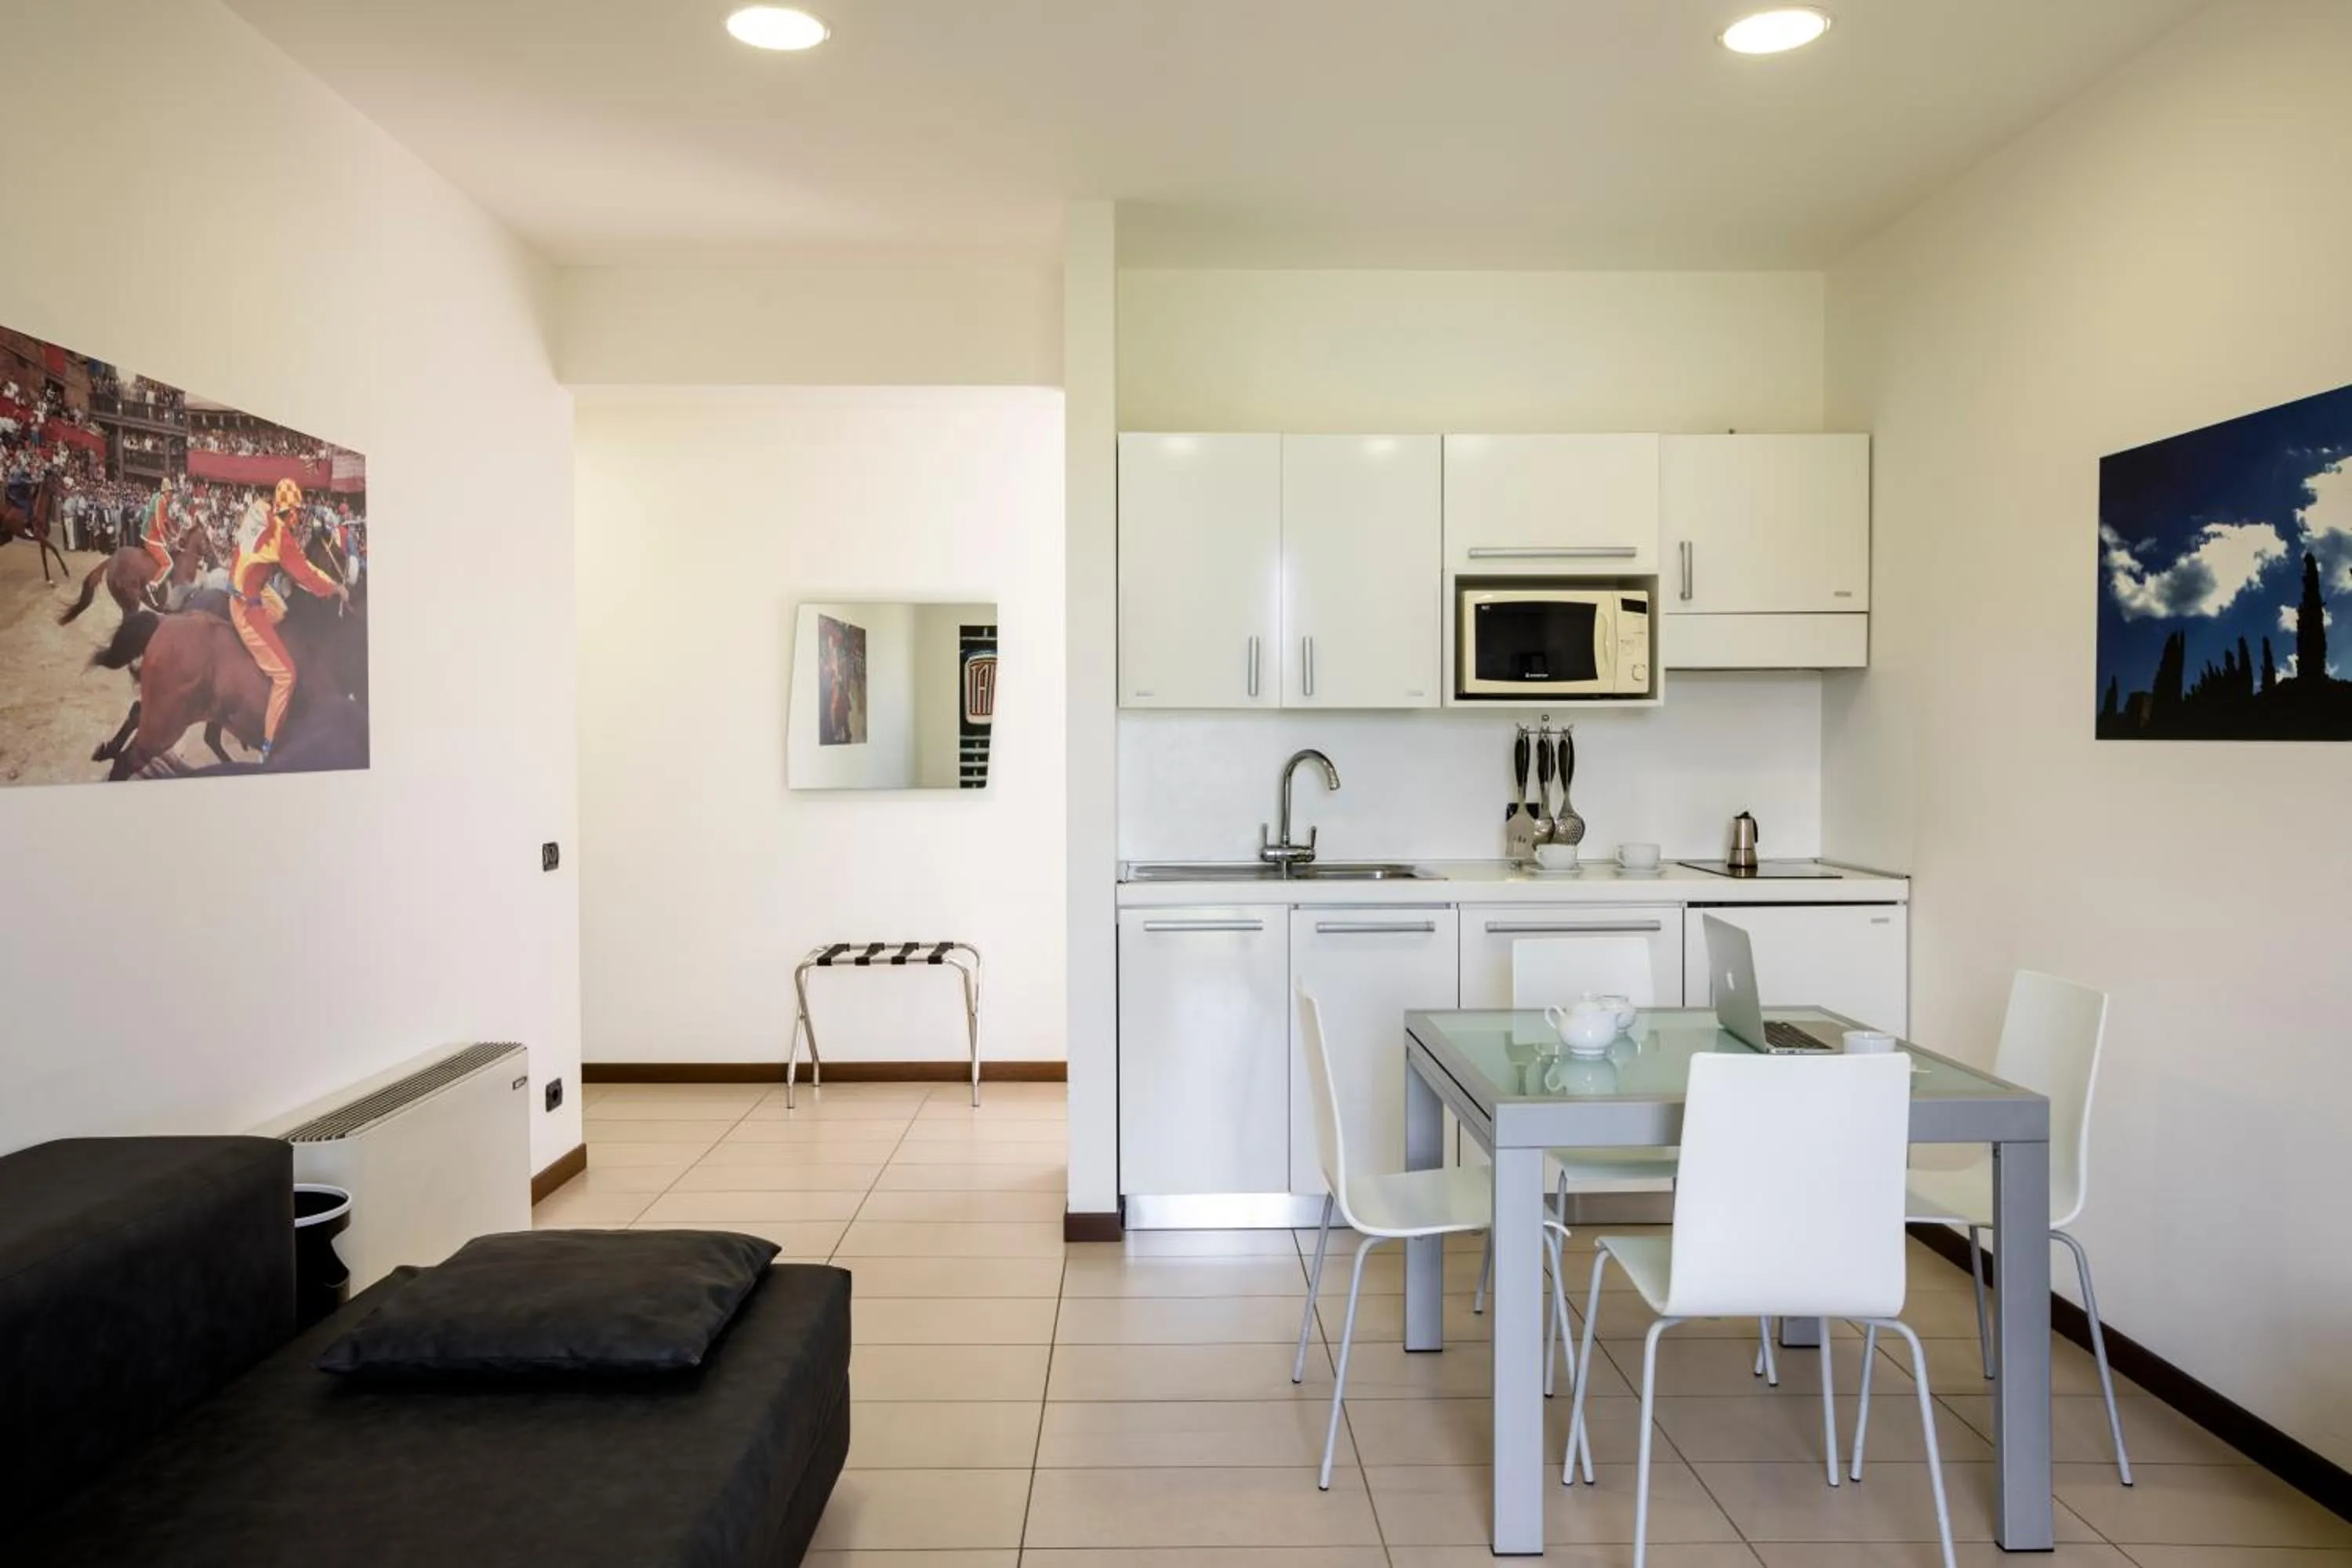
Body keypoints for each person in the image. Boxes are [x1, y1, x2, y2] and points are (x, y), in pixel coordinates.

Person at [230, 477, 347, 764]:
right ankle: (268, 750)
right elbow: (304, 573)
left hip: (248, 586)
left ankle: (264, 658)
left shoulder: (261, 509)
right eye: (297, 512)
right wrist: (335, 588)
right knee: (287, 676)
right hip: (247, 604)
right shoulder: (281, 536)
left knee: (282, 613)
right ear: (290, 511)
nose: (299, 517)